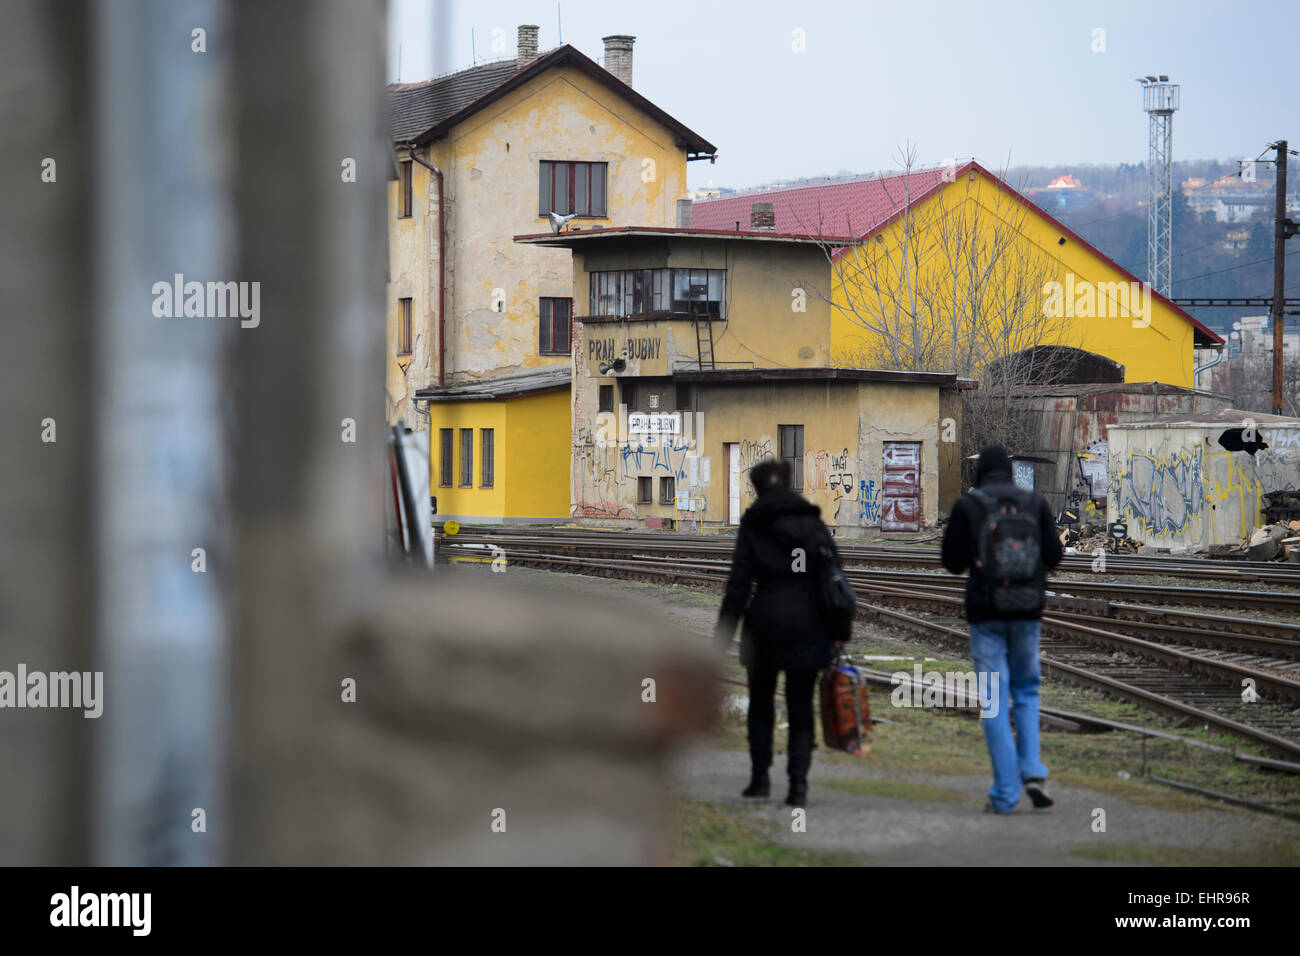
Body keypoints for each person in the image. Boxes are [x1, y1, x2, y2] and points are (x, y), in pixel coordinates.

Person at [713, 459, 850, 807]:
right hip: (809, 623)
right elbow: (834, 579)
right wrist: (839, 631)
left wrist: (723, 638)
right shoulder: (812, 523)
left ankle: (760, 779)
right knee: (801, 705)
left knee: (761, 703)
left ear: (758, 488)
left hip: (765, 623)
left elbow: (738, 587)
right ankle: (798, 786)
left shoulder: (754, 526)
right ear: (790, 483)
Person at [941, 445, 1063, 814]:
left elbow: (951, 562)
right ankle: (1032, 771)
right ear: (1009, 471)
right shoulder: (1034, 502)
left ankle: (1006, 794)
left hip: (986, 614)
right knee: (1026, 690)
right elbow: (1054, 557)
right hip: (1027, 611)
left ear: (980, 472)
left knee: (994, 700)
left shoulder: (969, 506)